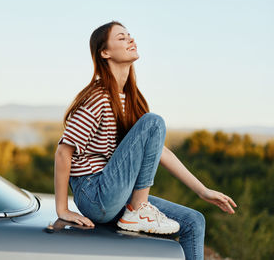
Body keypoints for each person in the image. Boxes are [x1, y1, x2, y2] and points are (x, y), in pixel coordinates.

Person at [54, 20, 237, 260]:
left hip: (117, 193)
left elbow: (161, 151)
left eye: (130, 35)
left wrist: (202, 191)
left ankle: (137, 209)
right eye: (121, 37)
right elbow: (63, 152)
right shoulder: (97, 98)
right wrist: (62, 208)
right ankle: (138, 210)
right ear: (105, 52)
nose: (131, 39)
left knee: (194, 221)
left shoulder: (130, 100)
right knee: (153, 122)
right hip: (94, 192)